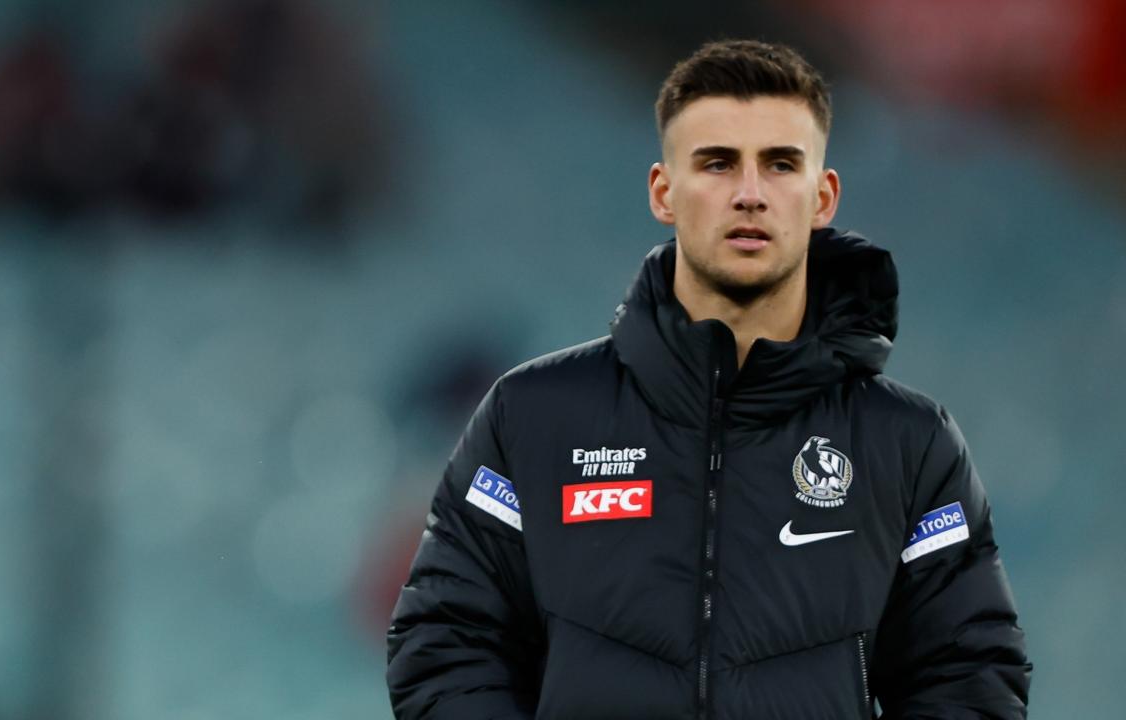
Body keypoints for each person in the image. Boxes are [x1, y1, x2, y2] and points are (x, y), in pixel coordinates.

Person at [386, 39, 1031, 719]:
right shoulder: (534, 416)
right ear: (664, 191)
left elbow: (969, 674)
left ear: (822, 196)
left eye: (780, 165)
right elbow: (442, 638)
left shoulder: (908, 444)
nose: (749, 195)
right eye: (717, 164)